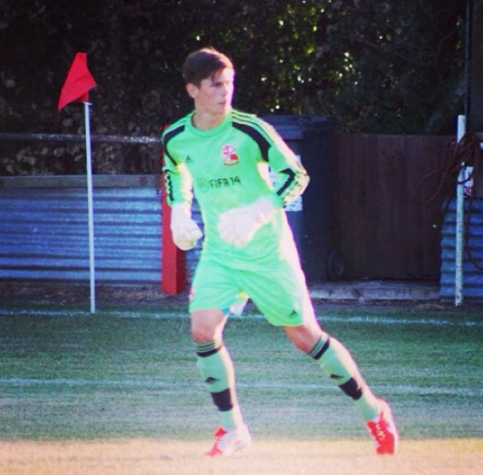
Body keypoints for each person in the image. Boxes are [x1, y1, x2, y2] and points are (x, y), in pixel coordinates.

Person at [161, 47, 399, 457]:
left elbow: (296, 175)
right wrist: (179, 211)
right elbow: (175, 172)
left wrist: (258, 211)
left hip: (269, 254)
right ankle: (233, 429)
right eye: (216, 85)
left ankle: (373, 410)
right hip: (221, 254)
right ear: (192, 90)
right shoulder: (175, 137)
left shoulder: (251, 129)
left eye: (229, 83)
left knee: (305, 337)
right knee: (202, 330)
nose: (225, 92)